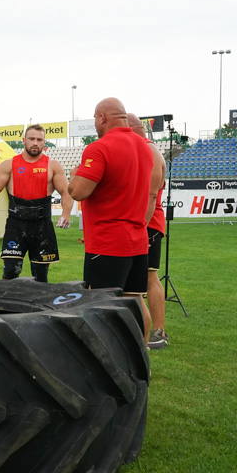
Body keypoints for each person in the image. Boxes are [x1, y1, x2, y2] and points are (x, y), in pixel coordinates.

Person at [68, 98, 154, 343]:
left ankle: (106, 365)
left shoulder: (99, 147)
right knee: (135, 302)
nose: (95, 124)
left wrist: (75, 175)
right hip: (137, 240)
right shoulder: (144, 147)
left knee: (101, 306)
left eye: (95, 119)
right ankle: (142, 357)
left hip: (107, 243)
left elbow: (78, 192)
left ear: (102, 117)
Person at [0, 124, 73, 282]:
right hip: (16, 225)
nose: (35, 143)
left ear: (44, 142)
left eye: (39, 139)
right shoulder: (9, 165)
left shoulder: (53, 166)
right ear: (24, 140)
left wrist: (66, 214)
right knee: (11, 270)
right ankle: (6, 303)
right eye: (31, 139)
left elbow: (67, 192)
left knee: (40, 275)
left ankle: (38, 306)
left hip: (42, 226)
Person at [128, 113, 169, 349]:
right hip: (146, 220)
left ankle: (159, 331)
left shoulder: (147, 150)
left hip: (148, 221)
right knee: (140, 279)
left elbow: (150, 194)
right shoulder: (147, 148)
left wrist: (140, 224)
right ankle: (145, 329)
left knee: (147, 277)